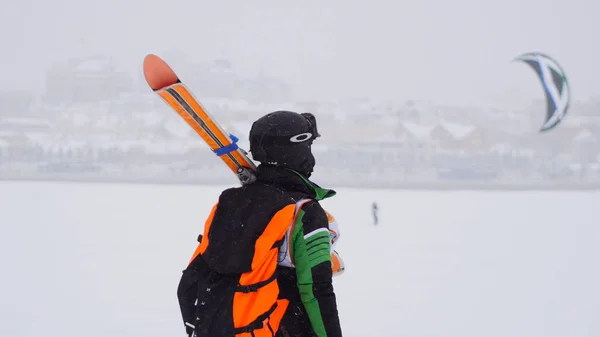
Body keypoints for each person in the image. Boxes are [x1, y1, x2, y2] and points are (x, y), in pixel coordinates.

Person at [177, 110, 343, 337]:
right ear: (296, 150)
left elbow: (200, 268)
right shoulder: (306, 213)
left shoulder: (232, 201)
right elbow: (315, 290)